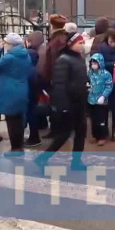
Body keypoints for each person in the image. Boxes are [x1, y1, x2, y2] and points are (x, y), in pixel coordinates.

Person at [35, 32, 89, 171]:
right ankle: (43, 158)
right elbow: (60, 85)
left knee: (81, 132)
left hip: (80, 102)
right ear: (71, 44)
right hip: (68, 104)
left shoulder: (79, 58)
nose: (82, 45)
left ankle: (76, 162)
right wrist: (62, 106)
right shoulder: (63, 60)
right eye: (79, 43)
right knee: (64, 134)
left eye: (83, 42)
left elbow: (80, 77)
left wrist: (86, 85)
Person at [0, 33, 32, 157]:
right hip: (22, 88)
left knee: (11, 122)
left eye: (6, 43)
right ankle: (19, 146)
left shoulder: (9, 57)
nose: (5, 45)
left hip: (10, 91)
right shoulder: (26, 55)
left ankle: (15, 149)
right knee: (19, 120)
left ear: (11, 44)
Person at [37, 14, 69, 138]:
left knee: (56, 105)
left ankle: (58, 131)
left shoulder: (57, 40)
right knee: (56, 105)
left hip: (56, 78)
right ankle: (58, 129)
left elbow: (53, 60)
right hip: (58, 77)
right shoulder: (62, 38)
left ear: (52, 25)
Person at [87, 53, 113, 146]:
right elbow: (88, 82)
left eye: (95, 62)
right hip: (91, 99)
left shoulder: (106, 74)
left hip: (101, 101)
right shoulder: (90, 73)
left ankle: (102, 136)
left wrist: (103, 96)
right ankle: (96, 135)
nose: (93, 64)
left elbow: (109, 86)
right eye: (92, 63)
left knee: (101, 119)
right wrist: (88, 87)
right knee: (93, 119)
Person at [24, 31, 45, 147]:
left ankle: (34, 137)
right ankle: (36, 133)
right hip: (36, 93)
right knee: (34, 113)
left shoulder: (29, 69)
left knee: (31, 115)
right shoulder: (35, 68)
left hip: (30, 94)